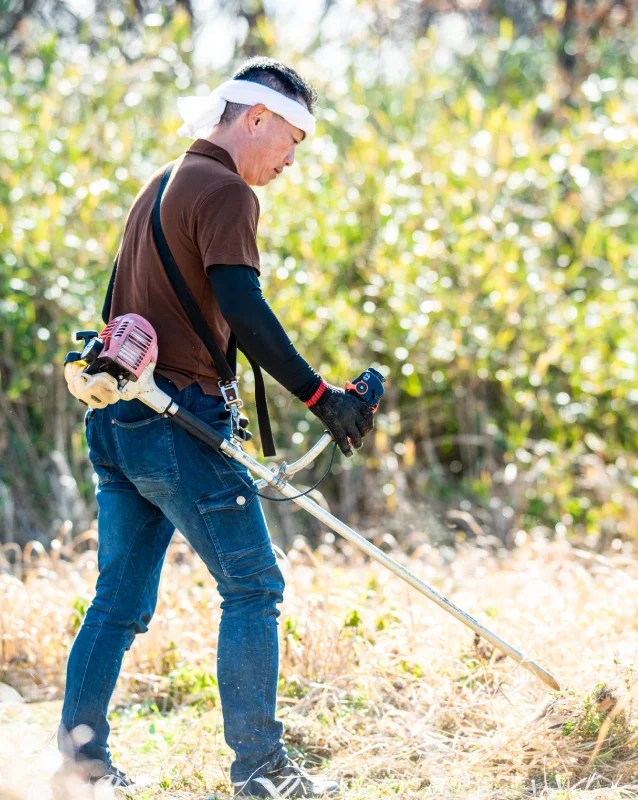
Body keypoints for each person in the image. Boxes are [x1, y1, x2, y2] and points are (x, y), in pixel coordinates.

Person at [59, 57, 374, 799]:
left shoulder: (159, 184)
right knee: (254, 587)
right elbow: (244, 306)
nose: (291, 162)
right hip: (179, 422)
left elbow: (118, 311)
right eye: (292, 141)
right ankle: (262, 771)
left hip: (118, 424)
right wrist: (322, 395)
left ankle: (80, 766)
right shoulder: (227, 191)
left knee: (119, 602)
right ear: (254, 119)